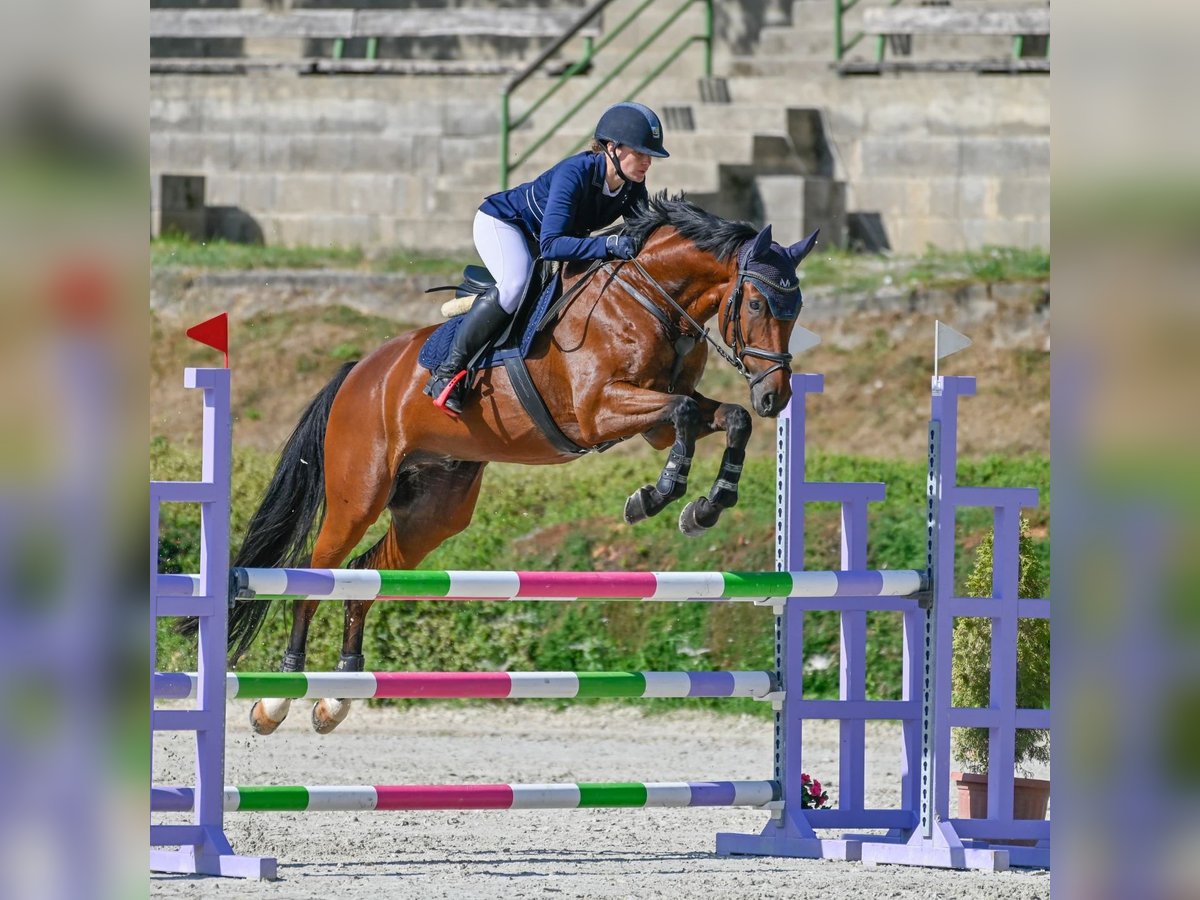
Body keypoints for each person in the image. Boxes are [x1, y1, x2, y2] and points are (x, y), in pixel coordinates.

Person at [425, 101, 670, 416]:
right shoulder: (575, 173)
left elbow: (640, 237)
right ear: (612, 148)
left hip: (544, 239)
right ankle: (448, 372)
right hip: (505, 225)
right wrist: (608, 244)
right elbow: (553, 245)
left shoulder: (631, 187)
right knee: (515, 285)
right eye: (641, 153)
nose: (647, 162)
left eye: (650, 155)